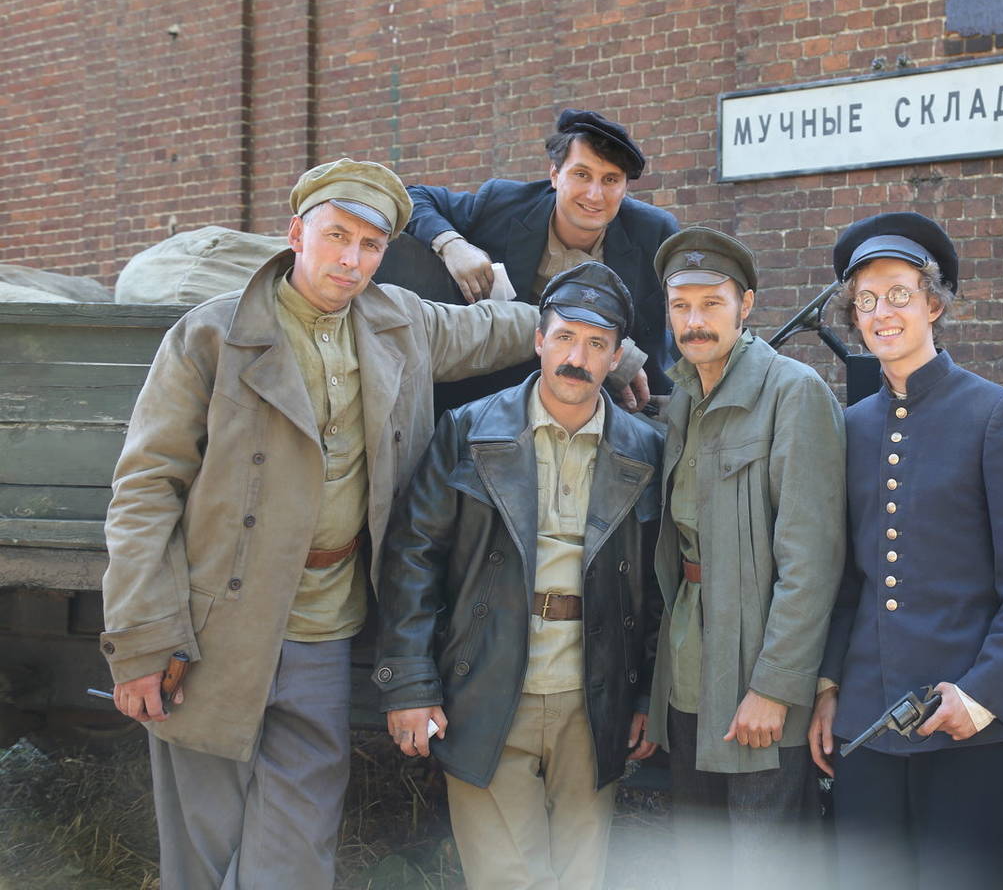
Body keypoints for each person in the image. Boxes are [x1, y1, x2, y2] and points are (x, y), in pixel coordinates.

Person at [99, 158, 543, 890]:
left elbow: (500, 328)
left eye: (370, 245)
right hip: (211, 625)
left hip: (323, 626)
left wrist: (607, 347)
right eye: (337, 236)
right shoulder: (211, 336)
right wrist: (143, 635)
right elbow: (147, 489)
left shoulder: (401, 322)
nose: (351, 260)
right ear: (296, 233)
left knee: (300, 843)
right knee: (203, 840)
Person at [373, 261, 664, 889]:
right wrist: (410, 684)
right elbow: (412, 557)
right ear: (538, 340)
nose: (576, 358)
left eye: (596, 344)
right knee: (506, 878)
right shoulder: (469, 431)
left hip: (597, 695)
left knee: (581, 877)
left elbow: (659, 586)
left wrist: (645, 696)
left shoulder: (646, 450)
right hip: (485, 684)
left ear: (616, 357)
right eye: (564, 337)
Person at [809, 212, 1003, 890]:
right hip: (867, 716)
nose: (881, 312)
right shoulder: (851, 427)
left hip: (970, 721)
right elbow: (848, 580)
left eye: (899, 293)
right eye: (866, 300)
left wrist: (983, 695)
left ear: (933, 303)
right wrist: (831, 687)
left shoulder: (997, 415)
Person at [643, 227, 846, 888]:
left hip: (759, 673)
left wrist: (775, 688)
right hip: (690, 665)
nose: (694, 321)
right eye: (681, 306)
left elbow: (812, 561)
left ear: (746, 305)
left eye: (712, 303)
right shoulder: (683, 397)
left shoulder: (794, 392)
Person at [395, 107, 679, 405]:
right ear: (555, 174)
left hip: (606, 396)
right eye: (581, 174)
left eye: (610, 180)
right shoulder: (503, 204)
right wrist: (452, 244)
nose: (595, 195)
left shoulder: (654, 232)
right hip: (495, 394)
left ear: (625, 187)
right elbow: (413, 197)